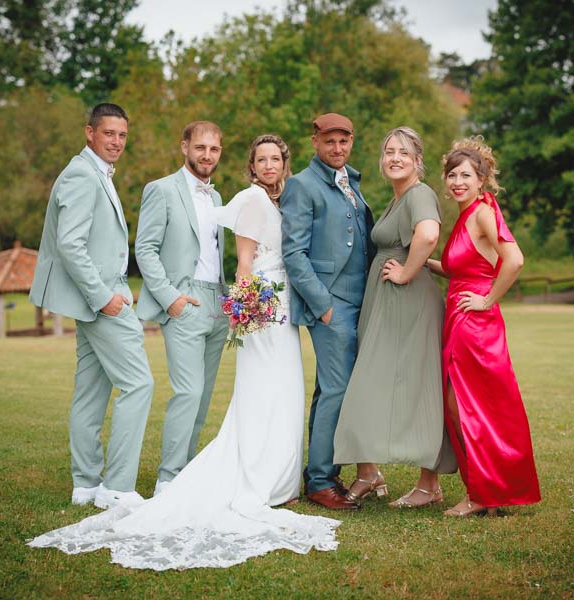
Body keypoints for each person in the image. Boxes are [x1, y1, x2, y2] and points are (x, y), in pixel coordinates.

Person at [27, 135, 340, 571]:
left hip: (231, 300)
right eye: (261, 159)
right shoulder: (208, 194)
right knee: (192, 391)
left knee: (249, 393)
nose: (268, 165)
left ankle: (254, 474)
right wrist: (191, 300)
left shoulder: (249, 198)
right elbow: (162, 250)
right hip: (237, 303)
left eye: (275, 158)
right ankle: (169, 480)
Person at [29, 103, 153, 510]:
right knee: (139, 384)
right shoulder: (83, 174)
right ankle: (117, 486)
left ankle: (85, 485)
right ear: (90, 132)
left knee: (90, 393)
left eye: (122, 135)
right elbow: (69, 244)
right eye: (109, 134)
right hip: (101, 300)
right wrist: (104, 298)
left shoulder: (94, 172)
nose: (116, 142)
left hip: (100, 297)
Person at [333, 126, 456, 508]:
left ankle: (427, 484)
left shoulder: (420, 194)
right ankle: (369, 472)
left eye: (403, 152)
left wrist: (405, 272)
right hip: (385, 301)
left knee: (417, 386)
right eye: (389, 152)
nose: (394, 158)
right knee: (372, 382)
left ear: (418, 159)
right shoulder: (397, 198)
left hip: (408, 302)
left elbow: (429, 234)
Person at [426, 136, 541, 517]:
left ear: (481, 180)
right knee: (468, 407)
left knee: (465, 408)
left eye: (465, 175)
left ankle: (480, 494)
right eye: (452, 175)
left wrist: (488, 299)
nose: (457, 181)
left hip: (475, 322)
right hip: (461, 317)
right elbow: (462, 269)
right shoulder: (466, 215)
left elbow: (514, 260)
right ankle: (486, 491)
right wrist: (419, 264)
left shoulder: (482, 212)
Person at [281, 113, 376, 510]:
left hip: (360, 303)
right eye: (329, 141)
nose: (337, 149)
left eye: (344, 141)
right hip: (331, 306)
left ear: (352, 141)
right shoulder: (302, 186)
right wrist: (322, 306)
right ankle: (321, 481)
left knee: (331, 390)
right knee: (337, 390)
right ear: (315, 141)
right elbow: (294, 252)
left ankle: (323, 473)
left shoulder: (351, 182)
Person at [134, 121, 229, 496]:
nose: (207, 155)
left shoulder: (218, 198)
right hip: (183, 299)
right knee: (187, 392)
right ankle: (168, 479)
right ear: (184, 147)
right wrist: (171, 298)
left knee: (203, 398)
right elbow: (145, 249)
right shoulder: (161, 190)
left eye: (214, 149)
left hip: (218, 303)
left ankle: (186, 473)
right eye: (200, 148)